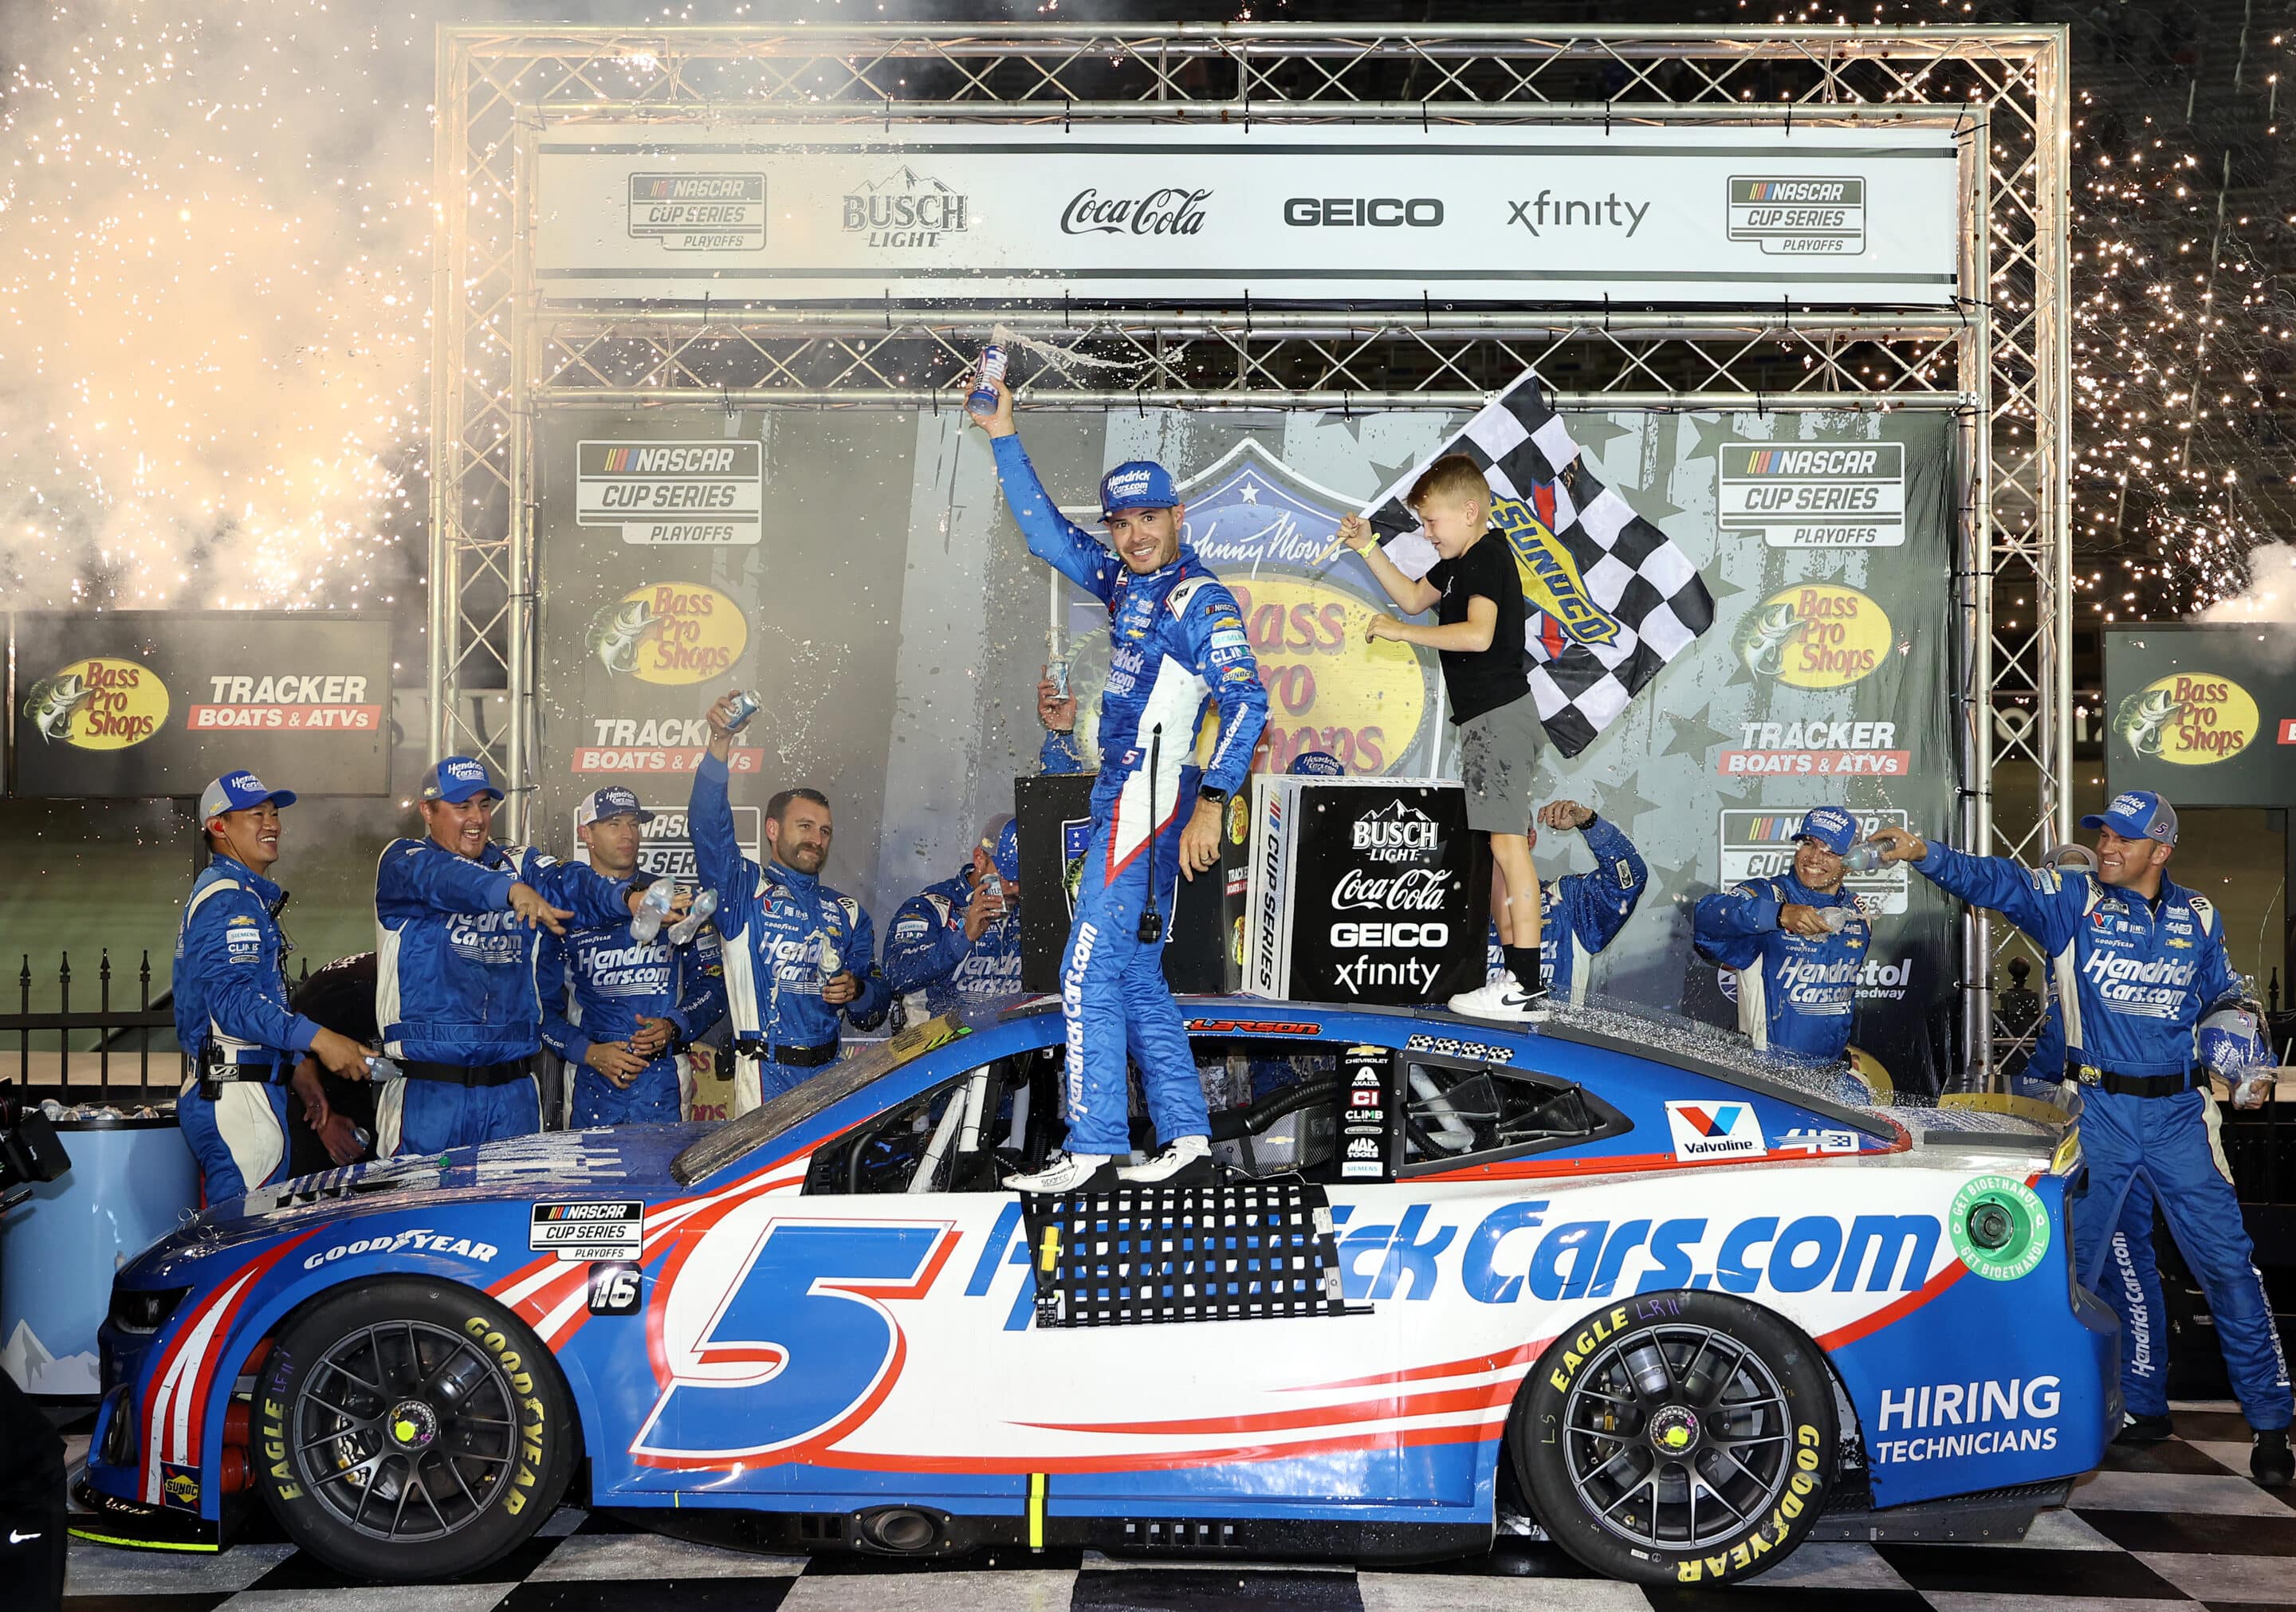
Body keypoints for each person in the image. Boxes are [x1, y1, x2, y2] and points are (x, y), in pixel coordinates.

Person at [1873, 791, 2294, 1484]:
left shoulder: (2200, 915)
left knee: (2228, 1268)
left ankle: (2273, 1425)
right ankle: (2084, 1421)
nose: (2105, 848)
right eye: (2102, 835)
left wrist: (2237, 1036)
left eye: (2123, 840)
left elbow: (2223, 993)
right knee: (2071, 1272)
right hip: (2094, 1111)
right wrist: (1927, 855)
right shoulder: (2073, 899)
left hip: (2180, 1117)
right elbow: (1999, 881)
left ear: (2160, 852)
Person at [972, 373, 1269, 1190]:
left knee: (1083, 970)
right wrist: (1003, 433)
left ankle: (1094, 1141)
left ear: (1181, 518)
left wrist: (1213, 803)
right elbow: (1044, 537)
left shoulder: (1198, 599)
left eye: (1150, 518)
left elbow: (1249, 701)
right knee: (1136, 974)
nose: (1135, 535)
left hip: (1152, 793)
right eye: (1123, 522)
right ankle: (1186, 1138)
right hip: (1131, 793)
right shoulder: (1126, 583)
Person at [1337, 460, 1549, 1022]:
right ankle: (1514, 980)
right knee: (1499, 855)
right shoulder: (1460, 562)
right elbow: (1409, 598)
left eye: (1432, 522)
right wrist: (1366, 547)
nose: (1428, 533)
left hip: (1498, 717)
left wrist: (1401, 634)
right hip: (1488, 720)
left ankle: (1525, 985)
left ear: (1470, 511)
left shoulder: (1484, 558)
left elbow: (1478, 635)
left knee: (1508, 848)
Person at [373, 757, 659, 1157]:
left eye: (485, 806)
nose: (477, 818)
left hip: (513, 1094)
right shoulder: (403, 859)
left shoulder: (518, 864)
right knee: (420, 1217)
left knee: (508, 1216)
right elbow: (447, 879)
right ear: (427, 810)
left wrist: (626, 897)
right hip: (431, 1093)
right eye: (462, 807)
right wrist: (508, 893)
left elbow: (570, 882)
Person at [174, 771, 376, 1201]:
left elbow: (256, 1002)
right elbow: (232, 1001)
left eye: (273, 812)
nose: (272, 824)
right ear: (218, 826)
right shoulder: (230, 898)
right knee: (242, 1247)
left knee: (245, 1238)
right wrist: (321, 1039)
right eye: (255, 814)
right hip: (236, 1097)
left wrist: (304, 1077)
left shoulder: (239, 894)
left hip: (240, 1089)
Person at [688, 720, 891, 1114]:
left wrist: (858, 991)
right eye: (805, 826)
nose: (817, 839)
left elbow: (875, 1006)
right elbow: (708, 829)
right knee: (771, 1179)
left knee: (825, 1178)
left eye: (825, 831)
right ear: (772, 829)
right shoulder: (744, 889)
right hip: (766, 1078)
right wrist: (720, 743)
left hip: (831, 1078)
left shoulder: (847, 912)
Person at [538, 786, 727, 1126]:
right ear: (586, 834)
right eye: (614, 824)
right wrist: (588, 1052)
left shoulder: (677, 902)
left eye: (634, 824)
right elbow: (540, 1012)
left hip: (663, 1079)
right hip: (590, 1080)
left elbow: (713, 988)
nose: (628, 835)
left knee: (663, 1178)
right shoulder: (563, 910)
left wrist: (674, 1025)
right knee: (593, 1181)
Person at [1692, 804, 1869, 1063]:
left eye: (1830, 850)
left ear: (1851, 861)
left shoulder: (1857, 912)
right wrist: (1779, 914)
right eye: (1809, 843)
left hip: (1831, 1073)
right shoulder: (1769, 895)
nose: (1815, 858)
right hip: (1771, 1077)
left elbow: (1833, 1003)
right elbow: (1707, 916)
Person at [1481, 800, 1649, 1007]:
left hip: (1544, 1036)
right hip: (1472, 1035)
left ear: (1530, 839)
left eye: (1508, 837)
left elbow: (1629, 880)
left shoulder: (1568, 900)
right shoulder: (1449, 903)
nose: (1495, 847)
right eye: (1483, 838)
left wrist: (1590, 823)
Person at [885, 818, 1025, 1021]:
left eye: (1022, 878)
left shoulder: (1032, 911)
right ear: (979, 859)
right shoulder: (933, 906)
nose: (1016, 887)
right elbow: (897, 974)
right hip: (942, 1044)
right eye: (1008, 875)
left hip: (1010, 1044)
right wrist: (963, 937)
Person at [285, 952, 380, 1174]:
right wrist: (324, 1122)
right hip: (312, 1106)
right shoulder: (356, 991)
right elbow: (291, 1047)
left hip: (344, 1095)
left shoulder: (374, 971)